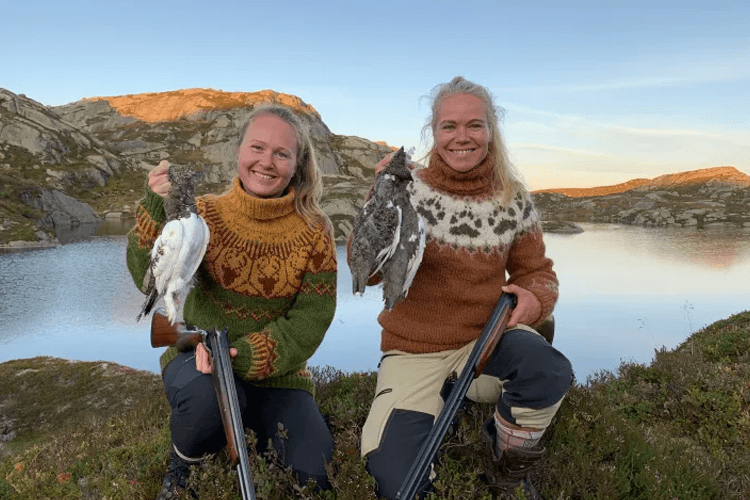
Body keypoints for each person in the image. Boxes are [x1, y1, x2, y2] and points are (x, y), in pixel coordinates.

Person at [349, 77, 573, 499]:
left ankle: (504, 462)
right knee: (396, 480)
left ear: (491, 130)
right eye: (448, 126)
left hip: (485, 343)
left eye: (475, 125)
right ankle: (442, 400)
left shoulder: (513, 199)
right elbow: (367, 273)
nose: (461, 137)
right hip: (413, 352)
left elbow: (538, 272)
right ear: (433, 133)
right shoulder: (405, 187)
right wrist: (380, 201)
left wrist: (533, 299)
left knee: (550, 371)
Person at [126, 104, 337, 498]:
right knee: (209, 405)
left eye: (281, 154)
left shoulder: (315, 231)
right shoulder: (203, 213)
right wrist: (156, 207)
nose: (266, 162)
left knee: (315, 473)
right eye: (257, 148)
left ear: (297, 164)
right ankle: (181, 477)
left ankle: (244, 435)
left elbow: (313, 317)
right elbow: (146, 276)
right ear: (239, 152)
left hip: (279, 375)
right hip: (200, 359)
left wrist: (250, 354)